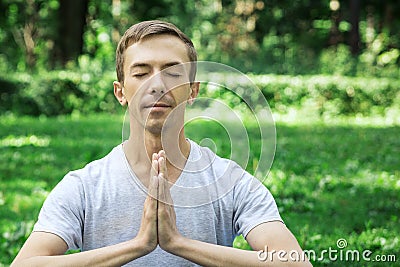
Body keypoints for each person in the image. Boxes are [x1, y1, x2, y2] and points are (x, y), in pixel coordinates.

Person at [11, 20, 311, 266]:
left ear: (193, 91)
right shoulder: (84, 186)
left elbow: (294, 262)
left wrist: (179, 244)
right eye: (141, 73)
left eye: (172, 73)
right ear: (120, 92)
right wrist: (138, 246)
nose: (156, 84)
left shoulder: (230, 182)